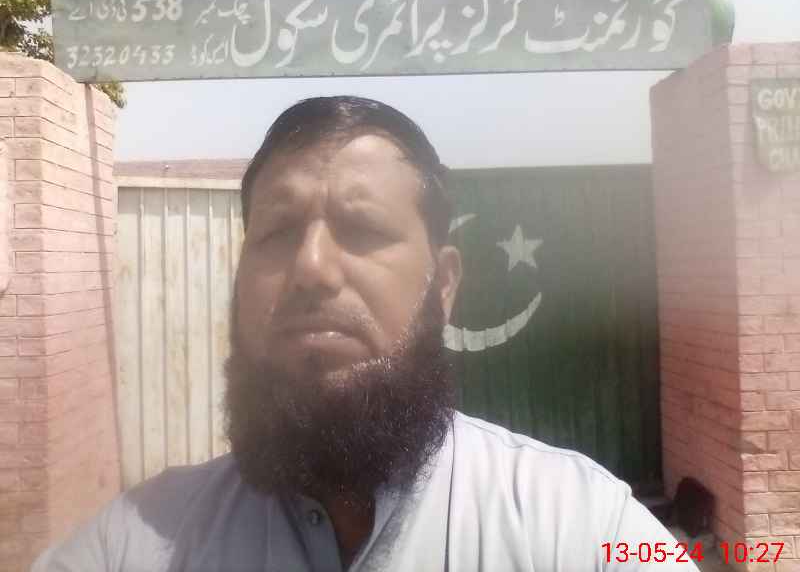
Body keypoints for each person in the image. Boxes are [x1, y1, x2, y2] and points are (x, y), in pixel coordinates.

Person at [33, 96, 698, 571]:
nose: (311, 268)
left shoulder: (583, 525)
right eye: (277, 232)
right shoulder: (134, 542)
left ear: (443, 285)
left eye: (363, 229)